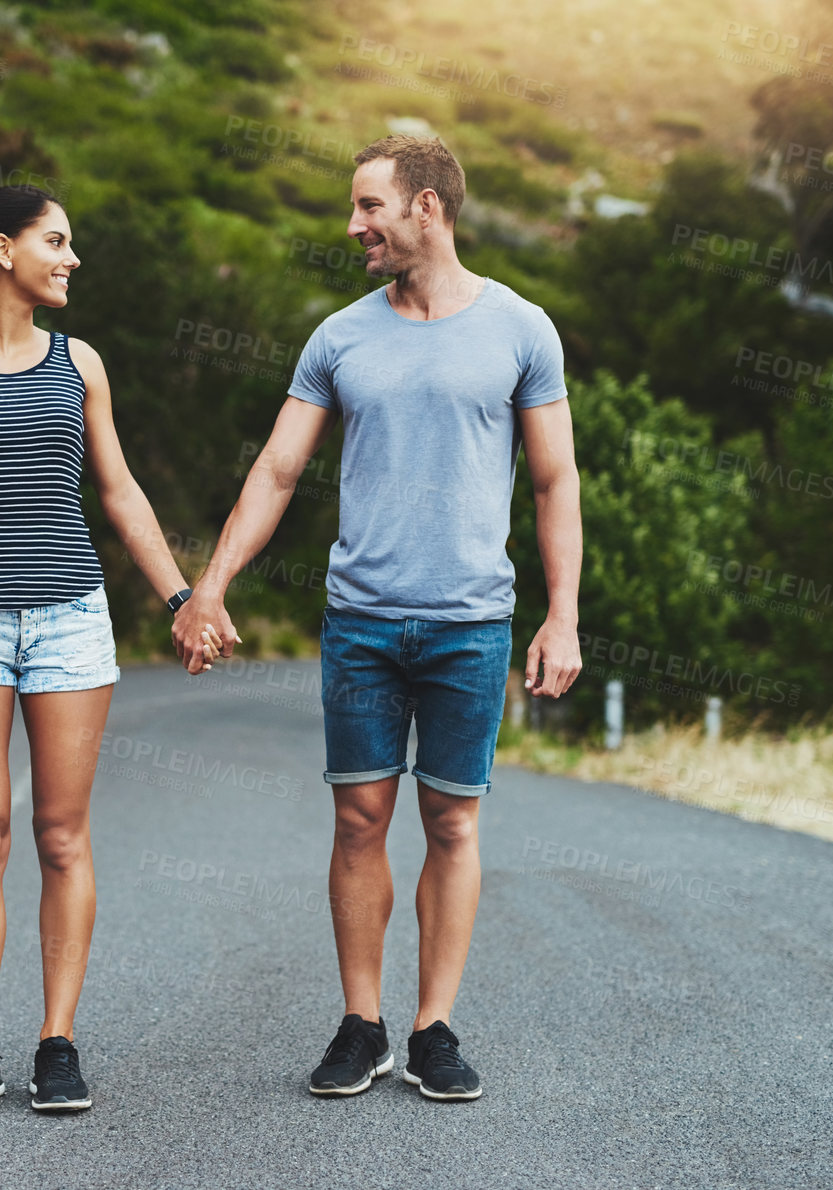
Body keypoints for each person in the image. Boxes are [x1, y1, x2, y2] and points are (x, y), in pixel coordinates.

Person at [170, 135, 583, 1101]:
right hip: (360, 620)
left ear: (426, 207)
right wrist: (210, 584)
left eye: (369, 207)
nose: (353, 225)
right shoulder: (340, 337)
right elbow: (275, 470)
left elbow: (557, 482)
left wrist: (560, 616)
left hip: (470, 624)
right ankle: (363, 1024)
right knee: (359, 820)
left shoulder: (523, 330)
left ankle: (435, 1026)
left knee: (451, 823)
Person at [0, 184, 221, 1115]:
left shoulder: (80, 364)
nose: (72, 260)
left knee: (60, 835)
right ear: (3, 248)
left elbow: (118, 491)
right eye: (57, 241)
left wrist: (183, 598)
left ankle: (57, 1042)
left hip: (70, 619)